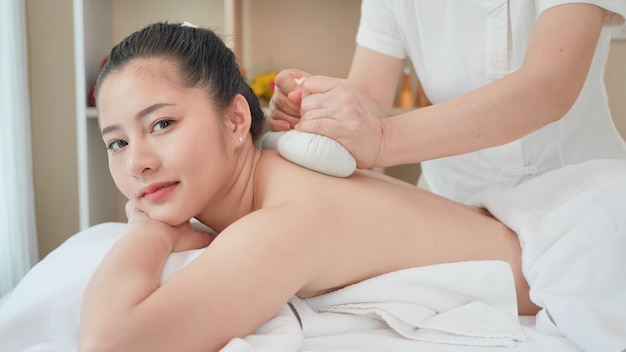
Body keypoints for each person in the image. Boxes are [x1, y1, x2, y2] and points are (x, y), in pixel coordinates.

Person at [79, 22, 538, 351]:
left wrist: (147, 231)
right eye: (117, 142)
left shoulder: (281, 225)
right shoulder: (275, 174)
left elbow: (111, 342)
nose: (136, 162)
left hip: (555, 271)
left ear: (237, 119)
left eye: (162, 123)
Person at [269, 1, 626, 204]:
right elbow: (371, 94)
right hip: (453, 204)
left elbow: (548, 87)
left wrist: (381, 139)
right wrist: (323, 105)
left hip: (580, 199)